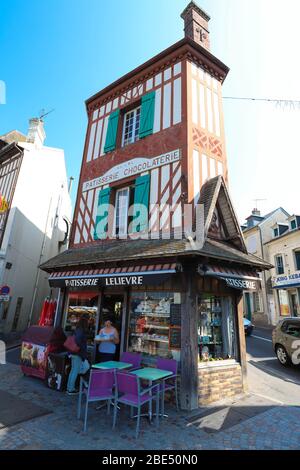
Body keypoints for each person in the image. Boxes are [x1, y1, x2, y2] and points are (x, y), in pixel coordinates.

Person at [66, 315, 89, 395]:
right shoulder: (81, 330)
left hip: (73, 352)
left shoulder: (77, 329)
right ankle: (71, 389)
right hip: (77, 353)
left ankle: (69, 387)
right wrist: (82, 348)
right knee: (75, 371)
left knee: (73, 370)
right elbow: (78, 341)